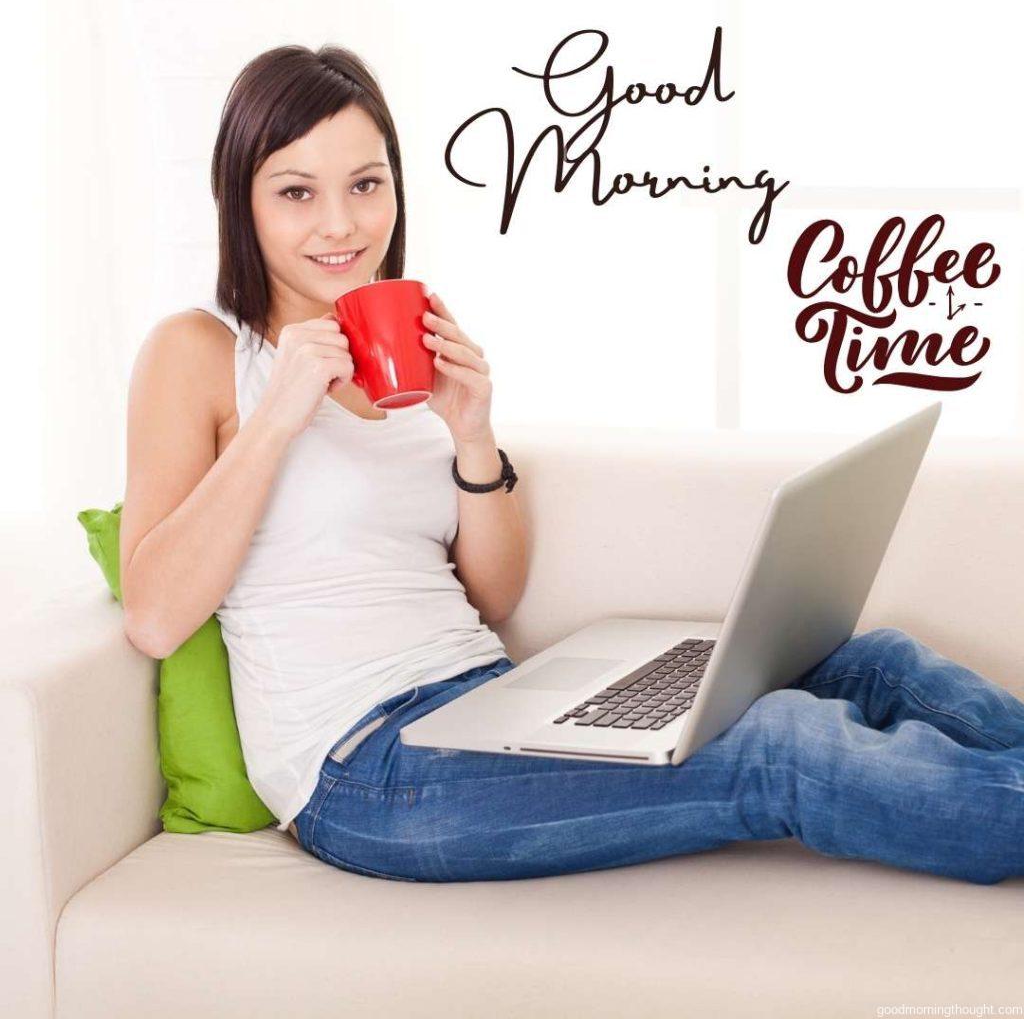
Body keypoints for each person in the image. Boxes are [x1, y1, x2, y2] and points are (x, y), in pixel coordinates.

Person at [120, 44, 1024, 888]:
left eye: (366, 184)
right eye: (296, 193)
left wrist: (473, 434)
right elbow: (156, 617)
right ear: (239, 199)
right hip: (368, 773)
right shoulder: (199, 352)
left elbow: (494, 599)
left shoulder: (406, 340)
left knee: (866, 662)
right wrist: (277, 416)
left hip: (487, 698)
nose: (342, 224)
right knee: (778, 744)